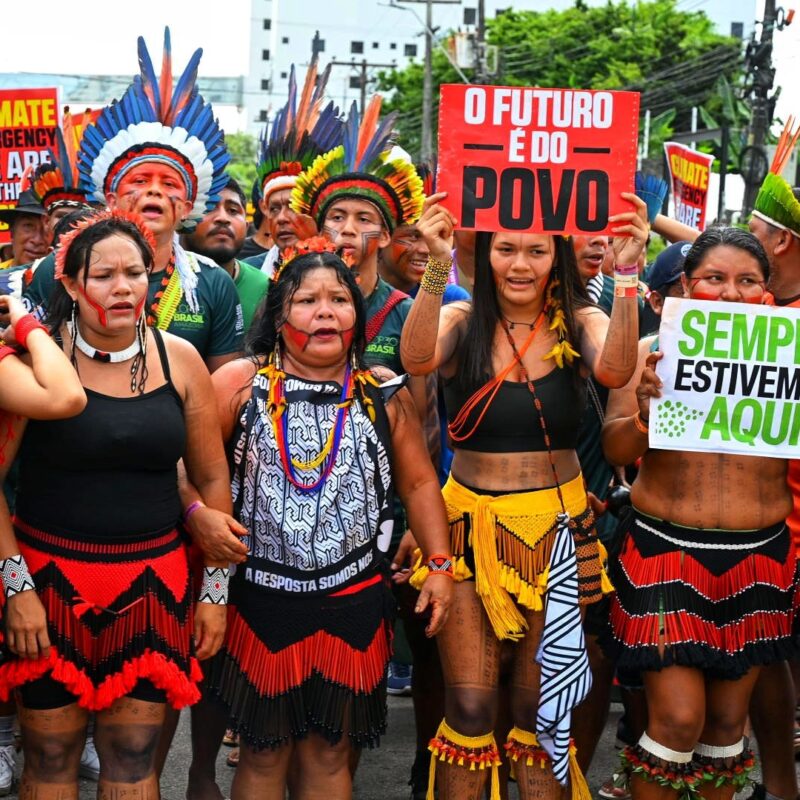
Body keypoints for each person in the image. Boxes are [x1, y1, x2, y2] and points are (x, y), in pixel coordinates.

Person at [400, 189, 647, 799]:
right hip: (469, 534)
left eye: (537, 251)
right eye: (505, 248)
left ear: (556, 258)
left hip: (557, 536)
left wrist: (628, 273)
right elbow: (415, 356)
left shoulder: (583, 322)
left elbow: (617, 373)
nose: (519, 264)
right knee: (469, 706)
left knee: (542, 714)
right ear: (483, 256)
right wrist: (436, 264)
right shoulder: (461, 319)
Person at [198, 239, 452, 799]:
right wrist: (199, 518)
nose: (325, 311)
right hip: (261, 599)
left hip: (354, 600)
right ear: (278, 314)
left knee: (333, 751)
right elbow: (185, 468)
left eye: (338, 298)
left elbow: (418, 483)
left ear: (356, 316)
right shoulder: (238, 385)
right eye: (306, 299)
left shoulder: (384, 393)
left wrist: (439, 563)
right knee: (264, 751)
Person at [0, 209, 232, 798]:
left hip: (153, 585)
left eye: (136, 272)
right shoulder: (34, 365)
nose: (124, 286)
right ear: (73, 285)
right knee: (50, 754)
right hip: (47, 586)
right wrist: (15, 586)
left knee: (132, 756)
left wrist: (214, 593)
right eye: (104, 275)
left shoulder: (180, 359)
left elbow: (210, 476)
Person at [603, 227, 796, 800]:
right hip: (665, 553)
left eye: (747, 281)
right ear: (687, 286)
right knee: (678, 722)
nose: (731, 293)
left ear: (767, 292)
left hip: (758, 559)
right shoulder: (648, 351)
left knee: (725, 729)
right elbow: (616, 450)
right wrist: (641, 411)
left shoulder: (792, 355)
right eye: (715, 279)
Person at [23, 28, 244, 373]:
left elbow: (222, 388)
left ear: (188, 206)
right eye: (140, 181)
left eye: (169, 183)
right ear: (111, 198)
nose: (154, 191)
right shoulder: (56, 270)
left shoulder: (213, 283)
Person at [746, 124, 800, 800]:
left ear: (782, 240)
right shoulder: (750, 310)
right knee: (770, 657)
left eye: (753, 229)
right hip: (759, 524)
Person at [244, 57, 340, 278]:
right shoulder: (248, 275)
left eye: (294, 206)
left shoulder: (346, 275)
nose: (282, 218)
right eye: (275, 208)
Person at [184, 177, 268, 333]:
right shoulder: (154, 281)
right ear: (183, 218)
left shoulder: (265, 288)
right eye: (208, 208)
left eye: (233, 211)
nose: (222, 218)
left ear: (246, 225)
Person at [0, 190, 48, 270]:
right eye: (28, 226)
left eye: (47, 229)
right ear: (12, 233)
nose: (37, 240)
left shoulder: (70, 280)